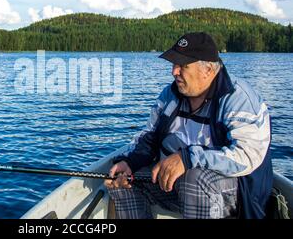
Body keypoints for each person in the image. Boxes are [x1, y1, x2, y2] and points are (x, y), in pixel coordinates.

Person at [105, 32, 273, 219]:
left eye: (183, 65)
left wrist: (187, 158)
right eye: (174, 64)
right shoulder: (170, 94)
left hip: (235, 194)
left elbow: (246, 157)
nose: (174, 72)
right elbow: (150, 135)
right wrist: (130, 162)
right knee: (126, 182)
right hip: (179, 186)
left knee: (194, 179)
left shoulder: (238, 99)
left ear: (208, 70)